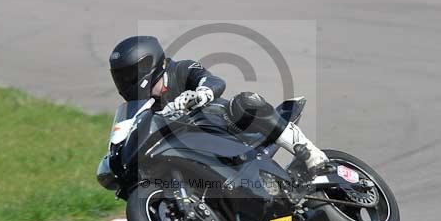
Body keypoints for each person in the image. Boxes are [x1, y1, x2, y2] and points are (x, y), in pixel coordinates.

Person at [109, 35, 330, 177]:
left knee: (245, 101)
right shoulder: (142, 109)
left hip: (228, 127)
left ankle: (312, 155)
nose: (124, 82)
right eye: (120, 77)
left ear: (147, 65)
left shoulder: (182, 69)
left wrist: (199, 95)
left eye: (128, 75)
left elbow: (214, 81)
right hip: (196, 150)